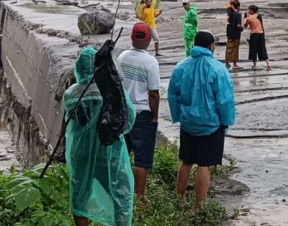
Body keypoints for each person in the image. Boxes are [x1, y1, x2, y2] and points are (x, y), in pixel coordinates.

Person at [64, 47, 136, 226]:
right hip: (109, 154)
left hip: (80, 154)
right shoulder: (115, 93)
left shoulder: (71, 94)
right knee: (119, 195)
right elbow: (128, 122)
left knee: (80, 196)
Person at [167, 31, 236, 212]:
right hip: (211, 126)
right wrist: (226, 122)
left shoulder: (181, 66)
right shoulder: (218, 69)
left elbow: (172, 94)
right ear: (211, 46)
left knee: (186, 161)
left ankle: (179, 199)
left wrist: (178, 117)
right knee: (204, 165)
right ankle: (198, 207)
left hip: (188, 123)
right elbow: (224, 100)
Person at [118, 23, 161, 203]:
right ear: (149, 40)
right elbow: (153, 93)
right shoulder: (150, 62)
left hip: (123, 111)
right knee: (142, 158)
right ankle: (139, 196)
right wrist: (155, 116)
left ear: (132, 38)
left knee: (122, 154)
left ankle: (120, 191)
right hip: (142, 112)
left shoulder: (121, 57)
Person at [244, 5, 271, 71]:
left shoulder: (249, 18)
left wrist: (244, 18)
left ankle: (255, 65)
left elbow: (245, 25)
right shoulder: (259, 16)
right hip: (261, 34)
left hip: (254, 34)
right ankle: (268, 64)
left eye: (249, 10)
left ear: (252, 10)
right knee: (262, 48)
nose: (248, 11)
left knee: (254, 50)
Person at [225, 1, 243, 70]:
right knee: (235, 49)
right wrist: (242, 27)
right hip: (236, 33)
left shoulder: (230, 13)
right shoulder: (238, 14)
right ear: (238, 7)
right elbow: (238, 25)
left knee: (228, 47)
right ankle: (235, 64)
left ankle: (226, 62)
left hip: (229, 32)